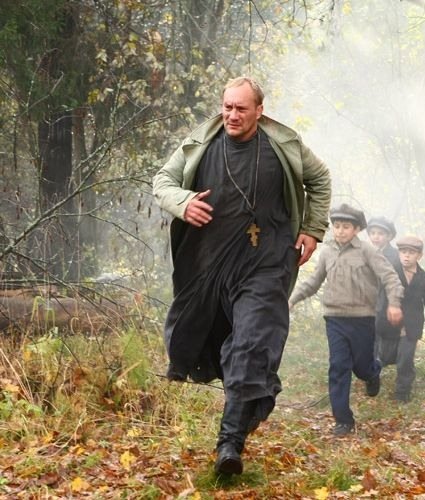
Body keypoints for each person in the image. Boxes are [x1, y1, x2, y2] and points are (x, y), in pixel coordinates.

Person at [153, 76, 331, 475]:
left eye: (241, 108)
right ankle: (256, 393)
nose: (232, 115)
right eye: (227, 107)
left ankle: (229, 445)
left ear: (259, 111)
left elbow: (319, 179)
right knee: (208, 344)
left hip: (266, 262)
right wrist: (183, 202)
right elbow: (162, 182)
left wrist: (312, 229)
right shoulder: (200, 144)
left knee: (250, 343)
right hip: (210, 265)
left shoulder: (284, 145)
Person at [289, 203, 403, 436]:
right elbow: (314, 281)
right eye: (337, 226)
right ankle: (343, 420)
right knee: (338, 366)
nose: (340, 231)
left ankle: (372, 372)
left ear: (357, 229)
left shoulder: (367, 251)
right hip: (334, 319)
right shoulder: (327, 252)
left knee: (361, 367)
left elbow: (390, 277)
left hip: (362, 319)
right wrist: (292, 300)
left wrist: (394, 303)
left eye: (346, 227)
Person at [376, 236, 425, 403]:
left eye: (411, 252)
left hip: (411, 326)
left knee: (405, 359)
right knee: (385, 357)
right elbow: (378, 294)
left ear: (419, 256)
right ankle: (371, 378)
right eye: (403, 252)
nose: (407, 256)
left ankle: (402, 394)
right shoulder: (389, 271)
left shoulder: (422, 277)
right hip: (388, 323)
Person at [366, 216, 401, 357]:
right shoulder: (366, 252)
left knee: (387, 346)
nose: (376, 237)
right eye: (373, 233)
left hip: (387, 302)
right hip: (368, 302)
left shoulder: (396, 257)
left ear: (389, 236)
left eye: (380, 234)